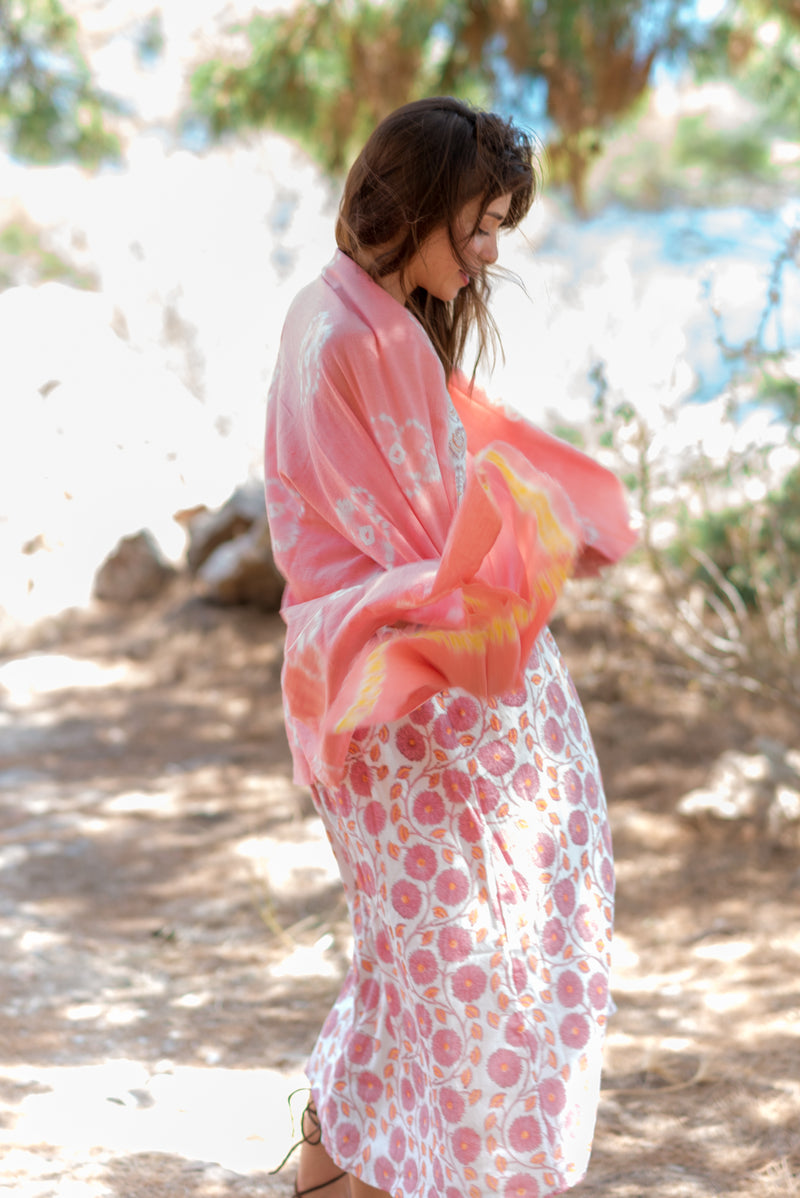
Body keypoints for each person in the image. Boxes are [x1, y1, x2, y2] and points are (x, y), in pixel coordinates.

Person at [265, 96, 636, 1198]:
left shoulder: (328, 314)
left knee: (412, 963)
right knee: (497, 965)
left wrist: (536, 516)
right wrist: (545, 525)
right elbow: (433, 552)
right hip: (410, 701)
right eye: (475, 227)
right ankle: (414, 1176)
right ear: (415, 206)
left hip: (353, 686)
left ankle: (331, 1167)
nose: (482, 258)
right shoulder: (366, 338)